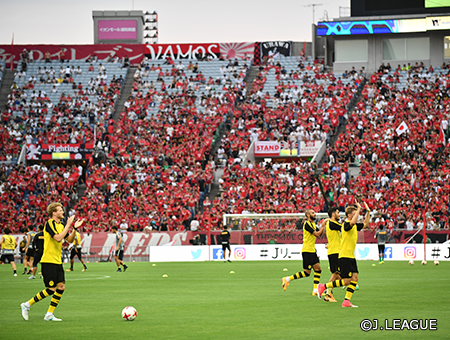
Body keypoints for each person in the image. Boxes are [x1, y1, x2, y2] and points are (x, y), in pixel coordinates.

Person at [21, 202, 84, 322]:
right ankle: (27, 304)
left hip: (57, 261)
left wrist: (74, 228)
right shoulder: (49, 223)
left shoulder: (62, 224)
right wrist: (68, 225)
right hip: (48, 261)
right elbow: (58, 238)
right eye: (60, 210)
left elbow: (69, 239)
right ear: (54, 213)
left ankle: (49, 314)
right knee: (51, 289)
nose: (62, 212)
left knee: (61, 287)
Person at [318, 202, 371, 308]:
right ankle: (324, 286)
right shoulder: (346, 225)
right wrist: (359, 209)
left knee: (355, 278)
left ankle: (346, 301)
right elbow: (352, 223)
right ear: (350, 215)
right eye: (355, 213)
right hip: (344, 256)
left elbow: (365, 224)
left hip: (350, 256)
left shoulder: (354, 226)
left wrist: (368, 212)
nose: (357, 215)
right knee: (346, 280)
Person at [282, 209, 324, 297]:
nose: (314, 214)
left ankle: (315, 290)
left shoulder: (312, 224)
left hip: (312, 250)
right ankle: (287, 279)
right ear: (308, 215)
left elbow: (319, 234)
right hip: (307, 251)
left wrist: (322, 227)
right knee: (307, 273)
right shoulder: (307, 224)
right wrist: (323, 226)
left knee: (318, 269)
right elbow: (316, 234)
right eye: (312, 213)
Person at [323, 207, 343, 303]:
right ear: (333, 214)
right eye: (338, 212)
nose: (339, 214)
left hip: (335, 251)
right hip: (335, 252)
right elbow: (344, 227)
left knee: (339, 275)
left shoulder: (331, 223)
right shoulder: (332, 223)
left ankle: (328, 291)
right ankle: (327, 292)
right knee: (336, 274)